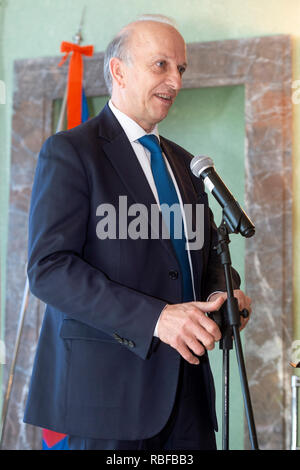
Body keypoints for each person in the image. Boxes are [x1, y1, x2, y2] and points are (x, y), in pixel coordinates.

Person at [24, 15, 251, 450]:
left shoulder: (187, 165)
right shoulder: (71, 152)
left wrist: (224, 294)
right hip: (107, 401)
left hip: (189, 403)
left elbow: (200, 260)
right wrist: (157, 319)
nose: (175, 81)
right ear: (119, 71)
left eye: (180, 69)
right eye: (161, 65)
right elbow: (49, 269)